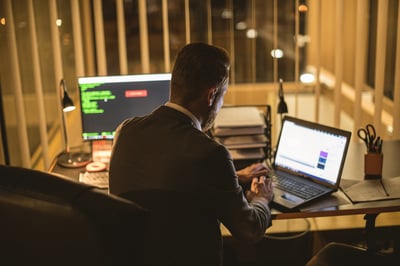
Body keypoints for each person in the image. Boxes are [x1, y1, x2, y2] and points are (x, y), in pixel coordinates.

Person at [109, 42, 274, 266]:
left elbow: (170, 179)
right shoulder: (211, 154)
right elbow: (249, 230)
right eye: (223, 96)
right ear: (211, 95)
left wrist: (235, 177)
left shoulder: (125, 131)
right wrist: (262, 199)